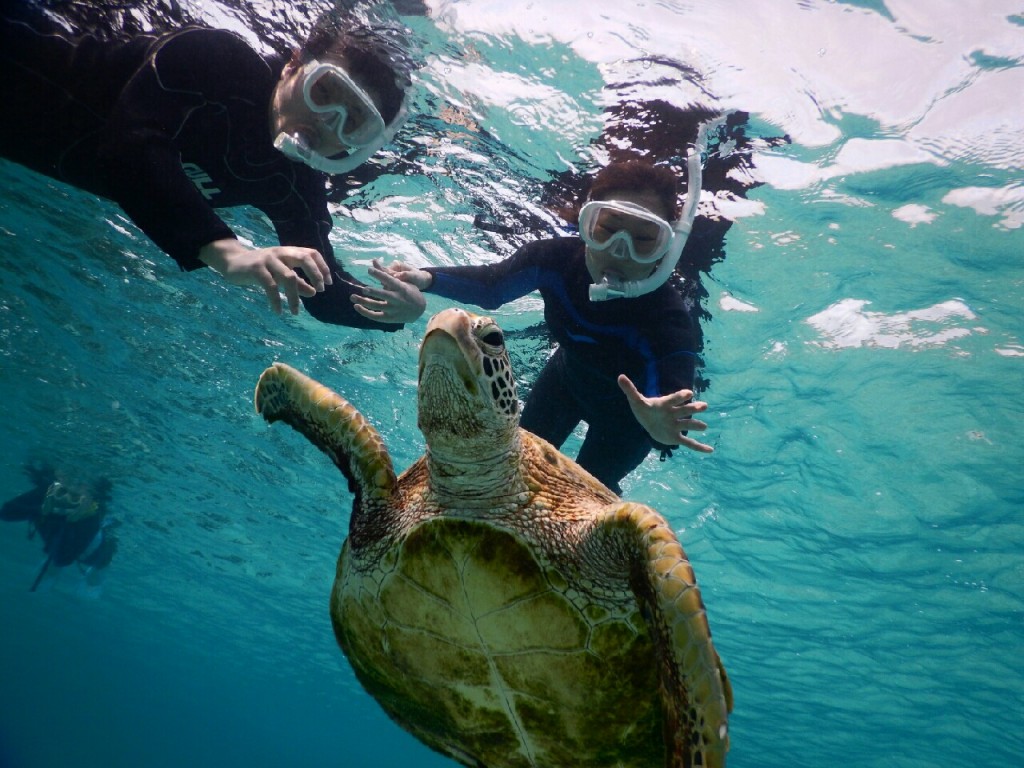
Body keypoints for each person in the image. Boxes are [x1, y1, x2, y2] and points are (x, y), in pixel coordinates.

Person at [0, 5, 424, 327]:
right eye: (325, 90)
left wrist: (398, 311)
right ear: (295, 63)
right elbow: (128, 146)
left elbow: (321, 290)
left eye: (353, 121)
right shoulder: (219, 61)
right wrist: (229, 253)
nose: (325, 119)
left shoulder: (294, 182)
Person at [352, 159, 714, 493]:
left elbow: (671, 408)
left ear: (667, 249)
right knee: (512, 469)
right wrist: (426, 278)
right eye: (608, 230)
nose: (620, 250)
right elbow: (492, 286)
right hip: (564, 383)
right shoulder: (555, 259)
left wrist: (660, 428)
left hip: (627, 424)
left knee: (581, 494)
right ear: (587, 225)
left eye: (644, 240)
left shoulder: (667, 321)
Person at [1, 463, 118, 591]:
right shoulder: (48, 492)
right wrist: (44, 510)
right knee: (56, 559)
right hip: (59, 544)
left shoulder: (90, 517)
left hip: (91, 551)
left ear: (91, 495)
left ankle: (93, 576)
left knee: (96, 572)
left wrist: (71, 519)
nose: (71, 489)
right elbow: (6, 512)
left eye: (80, 487)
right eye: (68, 478)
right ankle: (52, 570)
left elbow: (63, 560)